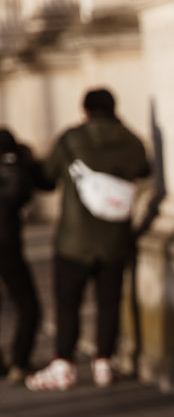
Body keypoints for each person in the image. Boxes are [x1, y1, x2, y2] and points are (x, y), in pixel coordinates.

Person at [26, 89, 150, 391]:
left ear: (85, 110)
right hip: (115, 238)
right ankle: (104, 363)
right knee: (109, 302)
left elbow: (47, 178)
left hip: (74, 239)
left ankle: (64, 364)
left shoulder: (72, 139)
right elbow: (144, 170)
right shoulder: (132, 140)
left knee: (68, 303)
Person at [0, 127, 50, 382]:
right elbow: (43, 184)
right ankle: (19, 361)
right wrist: (26, 162)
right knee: (28, 305)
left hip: (8, 244)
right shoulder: (15, 166)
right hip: (7, 245)